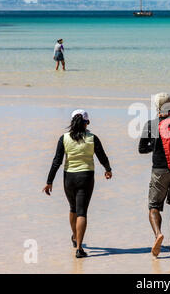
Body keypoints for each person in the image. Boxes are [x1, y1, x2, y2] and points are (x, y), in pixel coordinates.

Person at [43, 109, 112, 258]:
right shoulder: (92, 138)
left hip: (69, 178)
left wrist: (49, 182)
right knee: (82, 212)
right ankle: (79, 248)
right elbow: (102, 156)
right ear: (87, 123)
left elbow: (56, 161)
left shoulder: (64, 138)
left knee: (73, 208)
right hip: (86, 177)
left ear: (72, 123)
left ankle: (75, 237)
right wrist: (108, 169)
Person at [139, 93, 170, 257]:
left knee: (153, 207)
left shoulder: (150, 124)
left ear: (156, 107)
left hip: (159, 171)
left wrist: (155, 146)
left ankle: (158, 234)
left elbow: (141, 149)